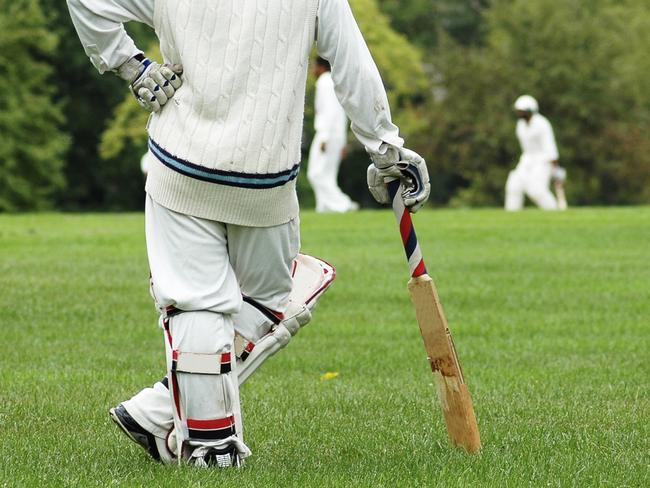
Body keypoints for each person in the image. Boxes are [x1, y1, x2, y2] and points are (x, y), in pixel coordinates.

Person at [66, 0, 430, 468]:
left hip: (181, 164)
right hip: (265, 174)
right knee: (271, 301)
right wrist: (384, 146)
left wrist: (131, 66)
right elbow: (350, 59)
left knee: (200, 301)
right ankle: (207, 445)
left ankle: (172, 420)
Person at [307, 56, 358, 213]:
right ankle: (324, 207)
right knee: (327, 175)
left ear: (321, 67)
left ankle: (342, 205)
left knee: (315, 173)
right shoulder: (333, 82)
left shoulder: (324, 82)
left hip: (327, 134)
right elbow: (339, 113)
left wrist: (325, 138)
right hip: (335, 134)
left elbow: (329, 112)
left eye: (314, 66)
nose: (312, 70)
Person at [505, 95, 567, 211]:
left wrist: (556, 168)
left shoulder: (542, 124)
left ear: (530, 111)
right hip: (527, 159)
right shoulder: (520, 125)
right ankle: (511, 215)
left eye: (522, 111)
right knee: (514, 185)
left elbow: (550, 147)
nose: (519, 114)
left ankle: (554, 211)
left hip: (543, 161)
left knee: (536, 190)